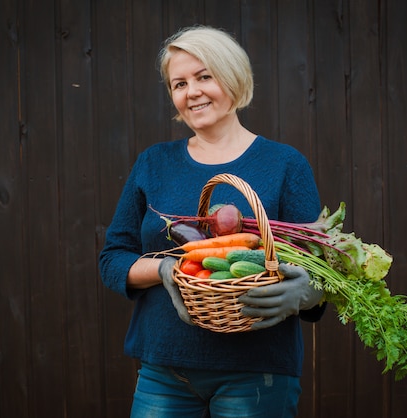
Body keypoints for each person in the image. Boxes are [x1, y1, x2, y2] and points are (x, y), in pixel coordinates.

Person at [99, 25, 326, 418]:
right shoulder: (154, 163)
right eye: (179, 83)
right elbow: (113, 259)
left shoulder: (285, 164)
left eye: (204, 76)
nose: (192, 92)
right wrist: (165, 269)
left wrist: (308, 293)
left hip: (257, 371)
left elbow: (322, 268)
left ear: (233, 78)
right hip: (164, 370)